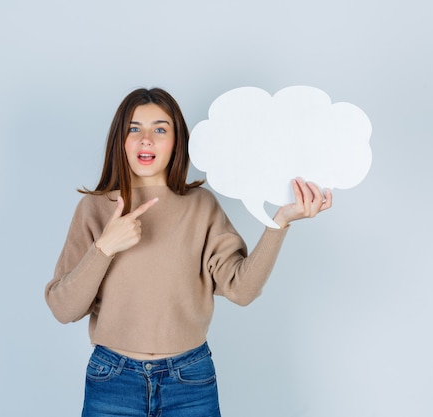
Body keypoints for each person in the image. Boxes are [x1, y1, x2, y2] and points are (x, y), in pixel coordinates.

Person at [45, 87, 332, 417]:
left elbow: (241, 289)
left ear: (177, 141)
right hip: (113, 380)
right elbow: (63, 309)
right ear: (120, 140)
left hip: (189, 381)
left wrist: (279, 222)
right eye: (133, 129)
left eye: (160, 129)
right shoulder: (95, 208)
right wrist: (105, 247)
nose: (146, 139)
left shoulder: (201, 207)